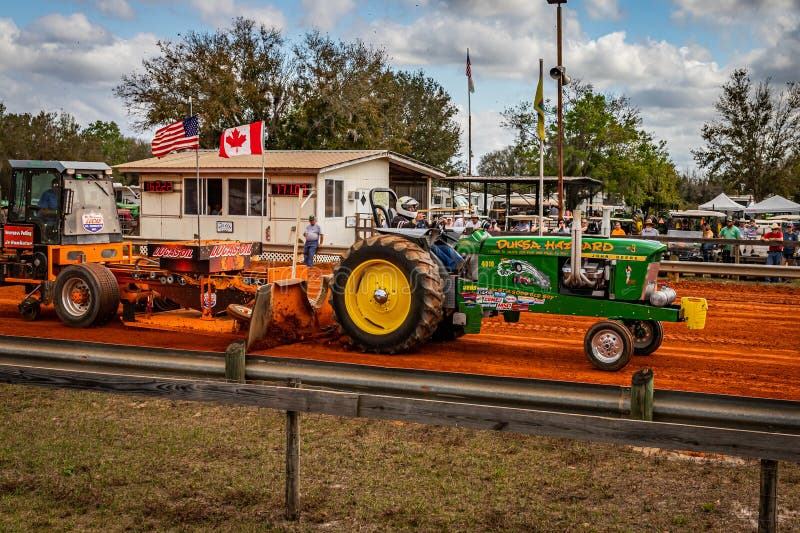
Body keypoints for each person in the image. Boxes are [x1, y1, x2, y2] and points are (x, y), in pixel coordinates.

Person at [393, 196, 463, 271]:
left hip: (423, 243)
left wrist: (437, 222)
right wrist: (415, 221)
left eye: (413, 207)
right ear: (403, 208)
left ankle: (461, 262)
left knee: (446, 248)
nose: (413, 209)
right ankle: (452, 266)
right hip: (410, 245)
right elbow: (402, 228)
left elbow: (428, 228)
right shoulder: (398, 219)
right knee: (434, 248)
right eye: (410, 207)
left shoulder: (418, 219)